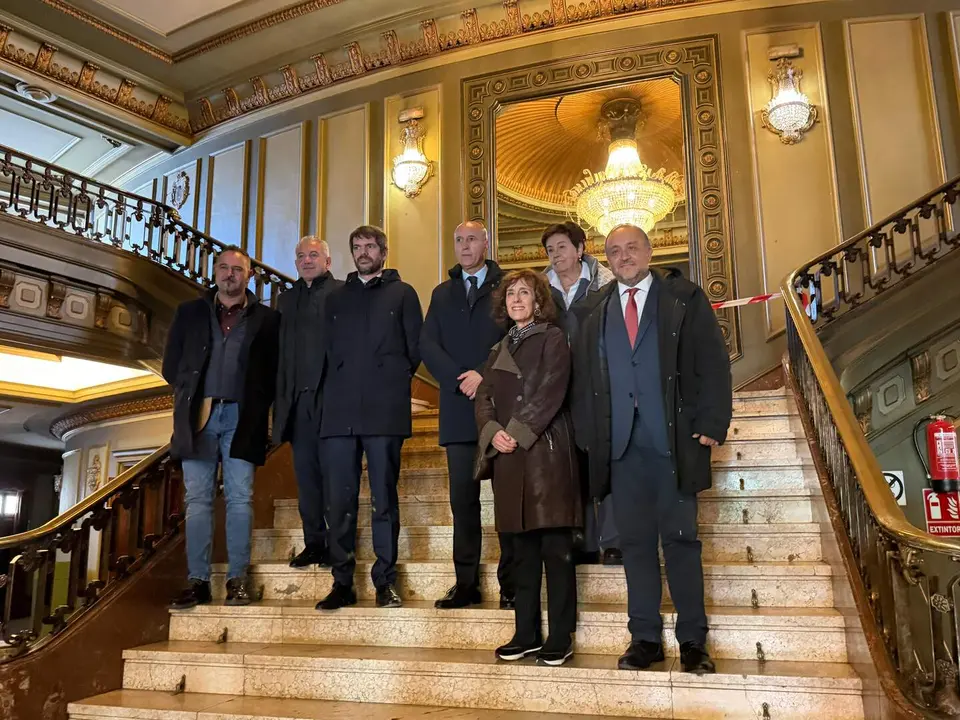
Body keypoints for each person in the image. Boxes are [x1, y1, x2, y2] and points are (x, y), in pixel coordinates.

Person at [570, 223, 732, 675]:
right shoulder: (592, 310)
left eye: (632, 248)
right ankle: (644, 638)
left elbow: (712, 361)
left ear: (649, 251)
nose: (624, 257)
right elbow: (582, 380)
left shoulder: (682, 298)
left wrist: (712, 421)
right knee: (634, 544)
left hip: (672, 442)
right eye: (615, 252)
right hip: (619, 447)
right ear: (606, 260)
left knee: (681, 542)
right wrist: (588, 436)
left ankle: (693, 642)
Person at [163, 245, 280, 609]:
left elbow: (275, 371)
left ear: (249, 276)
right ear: (215, 272)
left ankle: (237, 580)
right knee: (197, 501)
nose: (230, 275)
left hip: (243, 418)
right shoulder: (190, 313)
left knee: (240, 498)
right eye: (224, 268)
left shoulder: (268, 319)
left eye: (238, 270)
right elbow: (171, 364)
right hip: (199, 417)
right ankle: (197, 582)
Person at [475, 269, 581, 667]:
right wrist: (491, 431)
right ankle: (526, 633)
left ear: (539, 301)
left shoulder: (553, 338)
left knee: (555, 550)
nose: (516, 300)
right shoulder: (498, 347)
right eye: (511, 295)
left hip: (546, 454)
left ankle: (560, 636)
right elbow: (483, 396)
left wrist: (517, 431)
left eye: (525, 293)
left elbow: (552, 388)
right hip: (508, 458)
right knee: (519, 551)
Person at [316, 225, 423, 611]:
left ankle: (384, 582)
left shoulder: (403, 293)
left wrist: (388, 378)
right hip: (340, 411)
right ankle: (341, 582)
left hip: (383, 409)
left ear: (383, 251)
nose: (363, 253)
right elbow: (327, 352)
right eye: (357, 246)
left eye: (370, 246)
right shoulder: (336, 298)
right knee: (339, 501)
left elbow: (415, 350)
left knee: (383, 500)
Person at [420, 220, 516, 610]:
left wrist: (484, 374)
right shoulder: (442, 293)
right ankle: (466, 583)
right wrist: (460, 380)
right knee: (463, 501)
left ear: (486, 242)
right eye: (458, 239)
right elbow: (427, 343)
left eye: (472, 239)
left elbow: (518, 335)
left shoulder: (508, 285)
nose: (464, 245)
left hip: (501, 409)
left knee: (508, 499)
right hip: (459, 412)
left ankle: (512, 585)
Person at [542, 221, 618, 566]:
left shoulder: (607, 286)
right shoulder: (542, 292)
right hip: (559, 391)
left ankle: (614, 539)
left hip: (601, 386)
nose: (555, 255)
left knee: (607, 461)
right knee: (572, 467)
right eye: (550, 250)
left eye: (561, 247)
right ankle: (584, 541)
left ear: (580, 249)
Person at [274, 236, 344, 569]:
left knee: (335, 478)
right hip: (297, 402)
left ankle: (339, 545)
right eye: (301, 255)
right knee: (307, 479)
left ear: (328, 261)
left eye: (313, 254)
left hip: (332, 400)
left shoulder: (344, 293)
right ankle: (313, 542)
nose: (306, 260)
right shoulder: (285, 300)